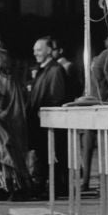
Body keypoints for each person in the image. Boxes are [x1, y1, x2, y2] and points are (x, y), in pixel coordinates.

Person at [0, 41, 31, 200]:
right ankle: (22, 184)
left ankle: (8, 186)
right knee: (16, 156)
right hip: (16, 121)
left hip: (1, 124)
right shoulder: (14, 79)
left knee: (4, 157)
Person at [27, 36, 70, 195]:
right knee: (42, 155)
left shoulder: (55, 70)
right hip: (41, 123)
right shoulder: (43, 70)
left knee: (51, 155)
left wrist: (43, 111)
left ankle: (55, 186)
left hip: (48, 123)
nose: (35, 53)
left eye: (38, 50)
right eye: (34, 50)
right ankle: (45, 185)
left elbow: (56, 96)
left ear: (48, 50)